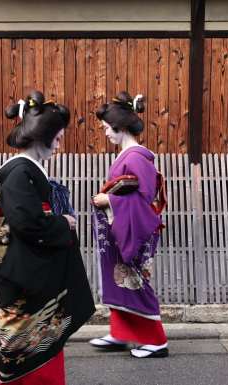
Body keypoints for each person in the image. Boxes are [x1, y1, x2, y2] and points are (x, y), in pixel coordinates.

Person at [0, 91, 95, 384]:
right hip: (27, 281)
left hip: (33, 275)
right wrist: (63, 223)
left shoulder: (27, 173)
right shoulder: (19, 175)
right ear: (42, 135)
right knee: (32, 357)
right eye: (58, 138)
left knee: (44, 350)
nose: (60, 144)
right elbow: (28, 224)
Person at [89, 91, 168, 358]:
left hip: (133, 227)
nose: (106, 134)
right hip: (121, 227)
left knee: (135, 281)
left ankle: (157, 341)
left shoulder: (134, 158)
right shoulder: (129, 155)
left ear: (121, 128)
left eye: (107, 129)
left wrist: (109, 200)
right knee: (119, 280)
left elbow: (142, 198)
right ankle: (121, 333)